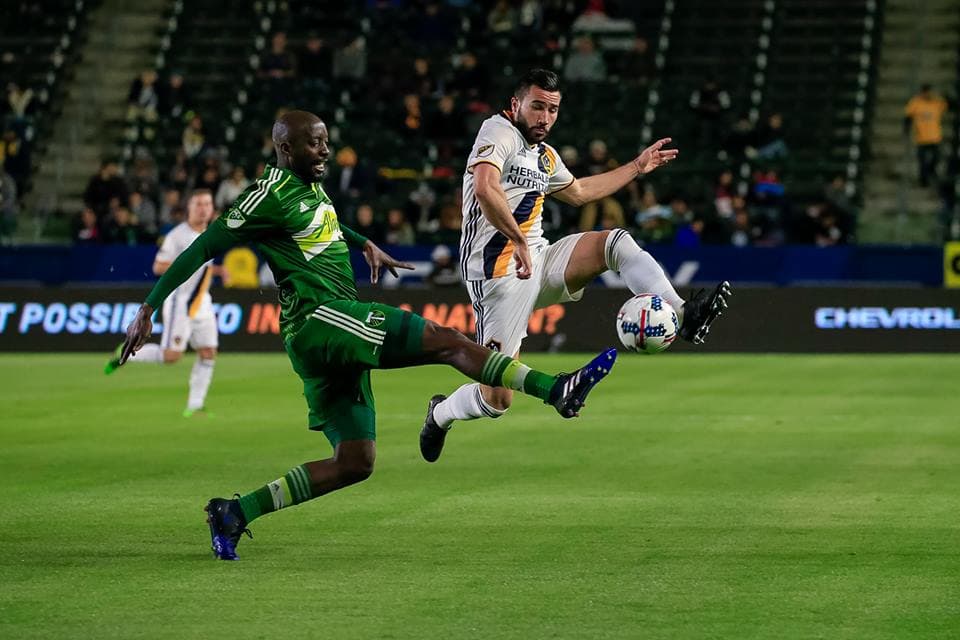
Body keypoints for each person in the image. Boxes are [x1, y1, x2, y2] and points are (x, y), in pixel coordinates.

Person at [115, 110, 619, 560]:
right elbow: (203, 246)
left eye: (326, 140)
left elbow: (327, 226)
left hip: (321, 338)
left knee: (356, 461)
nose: (325, 150)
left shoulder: (307, 187)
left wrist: (364, 244)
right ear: (285, 148)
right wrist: (149, 308)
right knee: (446, 340)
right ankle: (555, 390)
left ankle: (234, 512)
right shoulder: (264, 197)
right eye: (314, 143)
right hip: (323, 318)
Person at [420, 69, 731, 463]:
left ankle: (683, 314)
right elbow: (484, 187)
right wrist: (516, 239)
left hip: (540, 258)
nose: (545, 117)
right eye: (537, 106)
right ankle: (440, 413)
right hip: (499, 276)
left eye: (552, 110)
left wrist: (636, 166)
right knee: (497, 399)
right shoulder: (497, 131)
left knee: (615, 243)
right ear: (516, 105)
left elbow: (581, 192)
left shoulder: (545, 156)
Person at [105, 189, 221, 417]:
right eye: (198, 204)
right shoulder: (178, 235)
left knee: (208, 352)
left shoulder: (211, 232)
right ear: (189, 207)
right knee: (172, 357)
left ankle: (195, 405)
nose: (203, 208)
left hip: (202, 302)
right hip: (180, 302)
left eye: (207, 204)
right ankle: (125, 353)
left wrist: (215, 269)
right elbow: (158, 267)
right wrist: (186, 265)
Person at [904, 84, 948, 187]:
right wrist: (906, 131)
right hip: (921, 138)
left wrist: (946, 96)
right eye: (926, 92)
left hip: (935, 137)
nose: (928, 94)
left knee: (937, 158)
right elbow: (908, 117)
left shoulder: (937, 102)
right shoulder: (915, 102)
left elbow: (948, 106)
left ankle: (931, 172)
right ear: (922, 92)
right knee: (922, 161)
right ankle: (923, 180)